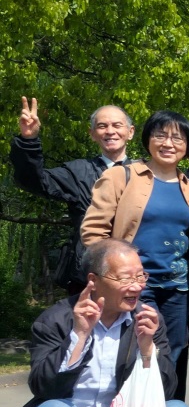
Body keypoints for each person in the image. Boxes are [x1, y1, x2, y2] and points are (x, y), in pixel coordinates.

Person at [11, 240, 189, 407]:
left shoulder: (146, 319)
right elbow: (43, 387)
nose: (137, 287)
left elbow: (164, 392)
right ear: (93, 280)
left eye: (140, 276)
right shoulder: (56, 319)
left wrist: (147, 349)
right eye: (126, 278)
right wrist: (79, 335)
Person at [81, 110, 189, 402]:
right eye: (160, 135)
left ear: (187, 146)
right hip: (133, 286)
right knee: (131, 350)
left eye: (178, 138)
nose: (168, 143)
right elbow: (93, 231)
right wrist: (111, 274)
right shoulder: (120, 176)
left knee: (173, 354)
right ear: (147, 139)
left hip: (178, 289)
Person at [10, 98, 134, 291]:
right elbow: (33, 181)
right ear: (92, 134)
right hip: (88, 275)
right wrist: (29, 141)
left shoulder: (146, 173)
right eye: (102, 126)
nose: (110, 131)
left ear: (130, 132)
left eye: (117, 125)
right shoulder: (77, 172)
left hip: (135, 273)